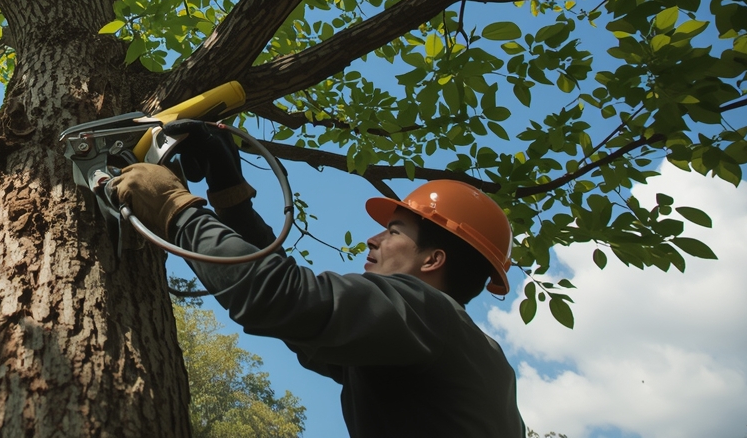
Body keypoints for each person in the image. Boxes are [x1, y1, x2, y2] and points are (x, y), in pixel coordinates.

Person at [111, 125, 525, 438]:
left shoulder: (430, 314)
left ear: (434, 259)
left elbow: (278, 298)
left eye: (395, 231)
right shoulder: (452, 349)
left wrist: (174, 206)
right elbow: (306, 320)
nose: (374, 237)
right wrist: (233, 201)